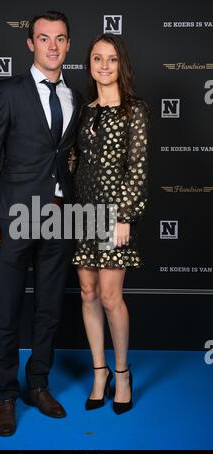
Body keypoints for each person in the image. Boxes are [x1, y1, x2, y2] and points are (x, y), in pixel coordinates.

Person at [0, 11, 81, 436]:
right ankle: (5, 395)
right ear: (30, 44)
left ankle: (38, 384)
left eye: (60, 39)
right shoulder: (8, 91)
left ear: (69, 45)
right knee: (7, 310)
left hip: (60, 215)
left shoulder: (74, 96)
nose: (52, 46)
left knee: (49, 308)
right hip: (14, 215)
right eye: (44, 38)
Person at [72, 34, 149, 413]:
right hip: (82, 214)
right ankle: (99, 372)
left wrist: (125, 217)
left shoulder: (134, 110)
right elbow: (74, 163)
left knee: (109, 296)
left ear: (122, 65)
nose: (104, 66)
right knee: (87, 293)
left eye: (112, 59)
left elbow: (137, 169)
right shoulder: (84, 110)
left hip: (113, 215)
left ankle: (122, 374)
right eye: (97, 59)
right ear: (89, 64)